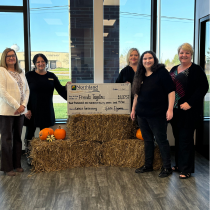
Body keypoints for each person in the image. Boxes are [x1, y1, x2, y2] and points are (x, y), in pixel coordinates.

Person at [131, 51, 175, 178]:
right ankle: (148, 165)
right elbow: (137, 94)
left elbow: (171, 91)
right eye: (145, 59)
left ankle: (167, 167)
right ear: (142, 61)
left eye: (150, 58)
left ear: (154, 59)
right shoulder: (140, 74)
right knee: (148, 140)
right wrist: (133, 109)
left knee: (161, 140)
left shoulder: (161, 73)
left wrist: (170, 109)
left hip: (157, 114)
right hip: (142, 114)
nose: (147, 61)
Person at [169, 43, 209, 179]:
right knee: (178, 138)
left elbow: (203, 88)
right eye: (181, 52)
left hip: (189, 111)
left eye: (187, 53)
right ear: (178, 54)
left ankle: (186, 169)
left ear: (191, 55)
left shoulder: (196, 70)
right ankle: (179, 165)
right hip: (175, 111)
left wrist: (190, 103)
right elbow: (168, 87)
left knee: (186, 139)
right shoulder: (174, 69)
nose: (184, 55)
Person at [24, 53, 68, 165]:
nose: (40, 63)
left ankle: (46, 156)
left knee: (47, 134)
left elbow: (61, 91)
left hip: (46, 110)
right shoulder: (28, 75)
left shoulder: (52, 76)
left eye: (42, 61)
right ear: (34, 64)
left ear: (46, 63)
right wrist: (25, 110)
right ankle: (29, 156)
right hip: (31, 110)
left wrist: (69, 89)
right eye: (38, 62)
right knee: (30, 134)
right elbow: (22, 93)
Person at [0, 48, 29, 176]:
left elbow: (27, 90)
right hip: (7, 112)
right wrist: (17, 105)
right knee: (7, 139)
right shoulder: (2, 71)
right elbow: (2, 92)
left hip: (20, 112)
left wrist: (23, 106)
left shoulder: (21, 72)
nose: (11, 58)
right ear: (4, 58)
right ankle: (7, 168)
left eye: (13, 55)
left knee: (18, 138)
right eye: (8, 56)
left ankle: (17, 164)